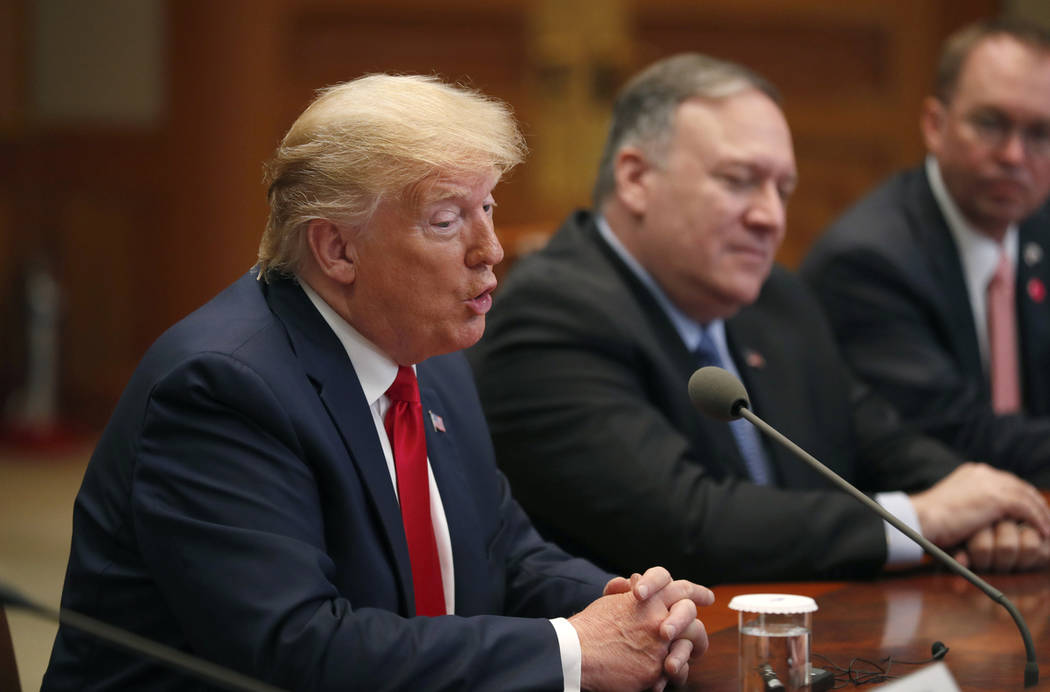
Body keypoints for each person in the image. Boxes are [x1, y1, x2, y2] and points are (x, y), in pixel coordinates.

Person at [41, 74, 714, 692]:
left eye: (488, 205)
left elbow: (502, 551)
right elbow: (300, 649)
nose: (491, 249)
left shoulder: (432, 355)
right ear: (336, 249)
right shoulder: (222, 390)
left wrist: (627, 609)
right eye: (448, 220)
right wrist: (572, 651)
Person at [469, 53, 1050, 586]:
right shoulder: (550, 318)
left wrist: (988, 507)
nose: (771, 217)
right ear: (636, 178)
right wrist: (925, 517)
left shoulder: (776, 298)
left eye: (783, 189)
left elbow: (879, 439)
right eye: (739, 181)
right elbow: (686, 525)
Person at [802, 18, 1050, 488]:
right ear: (935, 125)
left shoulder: (1039, 228)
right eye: (991, 124)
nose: (1016, 156)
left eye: (1040, 133)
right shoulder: (869, 261)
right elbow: (958, 435)